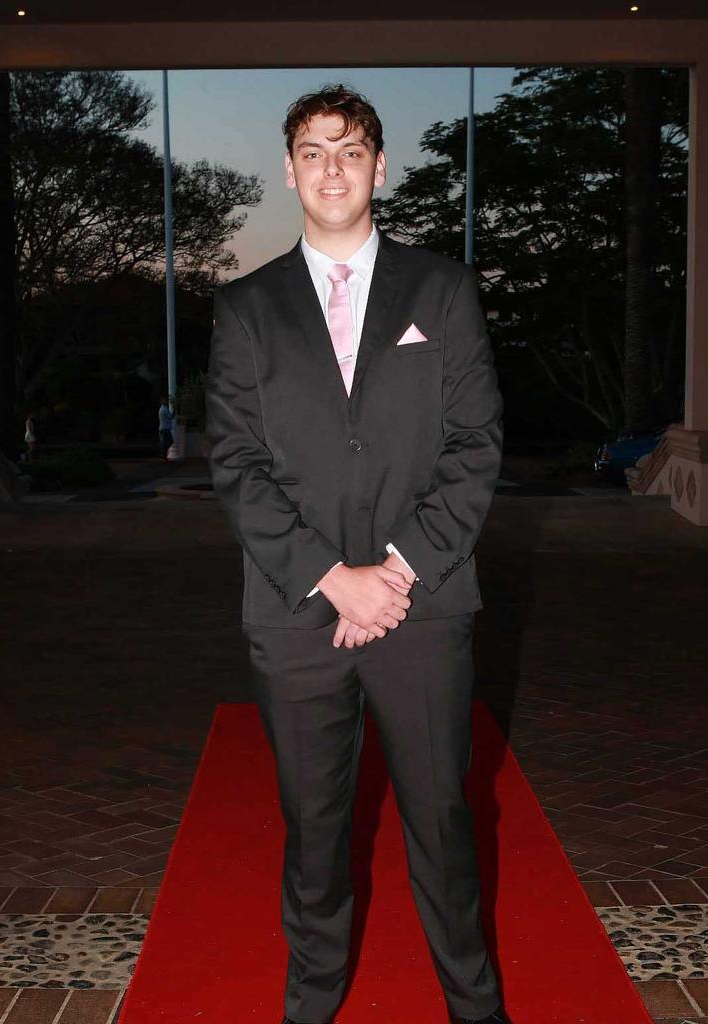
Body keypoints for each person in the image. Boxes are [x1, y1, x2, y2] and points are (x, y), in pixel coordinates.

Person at [206, 84, 509, 1024]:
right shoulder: (245, 308)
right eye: (311, 150)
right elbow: (236, 461)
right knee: (315, 827)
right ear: (289, 170)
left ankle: (475, 1004)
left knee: (443, 822)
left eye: (350, 149)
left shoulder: (443, 289)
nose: (331, 166)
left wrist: (396, 572)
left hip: (425, 606)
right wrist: (335, 578)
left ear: (380, 167)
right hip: (296, 612)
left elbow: (476, 445)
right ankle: (313, 1000)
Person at [157, 395, 174, 461]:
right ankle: (163, 454)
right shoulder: (164, 409)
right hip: (165, 429)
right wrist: (174, 411)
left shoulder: (161, 409)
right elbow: (170, 417)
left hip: (163, 428)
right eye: (165, 400)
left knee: (165, 443)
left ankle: (163, 454)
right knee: (169, 442)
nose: (166, 401)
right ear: (162, 401)